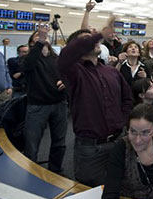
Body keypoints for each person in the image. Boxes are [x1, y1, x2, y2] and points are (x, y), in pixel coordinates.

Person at [57, 24, 133, 187]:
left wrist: (122, 120)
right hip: (90, 148)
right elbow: (64, 58)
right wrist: (97, 35)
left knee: (123, 187)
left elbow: (127, 99)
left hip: (119, 140)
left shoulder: (112, 72)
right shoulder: (74, 73)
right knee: (90, 193)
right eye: (86, 40)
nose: (94, 40)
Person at [22, 24, 68, 173]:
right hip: (38, 106)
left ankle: (55, 171)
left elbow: (68, 75)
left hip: (59, 104)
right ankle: (30, 172)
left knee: (59, 142)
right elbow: (27, 65)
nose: (43, 37)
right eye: (38, 36)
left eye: (44, 36)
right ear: (32, 43)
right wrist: (40, 41)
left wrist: (66, 82)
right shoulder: (28, 58)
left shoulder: (57, 58)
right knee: (32, 143)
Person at [80, 0, 118, 66]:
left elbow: (106, 64)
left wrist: (111, 63)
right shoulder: (83, 47)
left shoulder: (103, 48)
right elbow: (84, 32)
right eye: (91, 29)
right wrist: (87, 11)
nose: (94, 29)